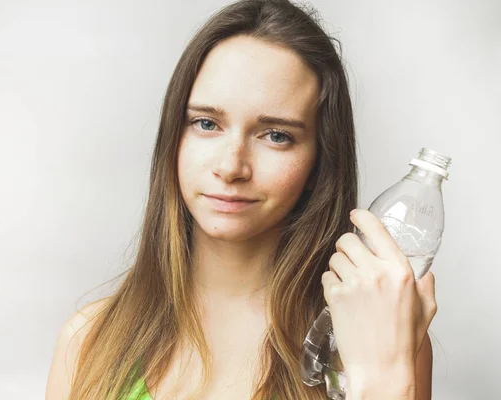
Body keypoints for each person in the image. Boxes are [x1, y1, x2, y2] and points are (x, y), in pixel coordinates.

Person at [45, 0, 436, 399]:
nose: (232, 167)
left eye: (276, 135)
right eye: (206, 124)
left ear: (321, 158)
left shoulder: (373, 338)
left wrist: (384, 378)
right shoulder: (88, 340)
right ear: (174, 139)